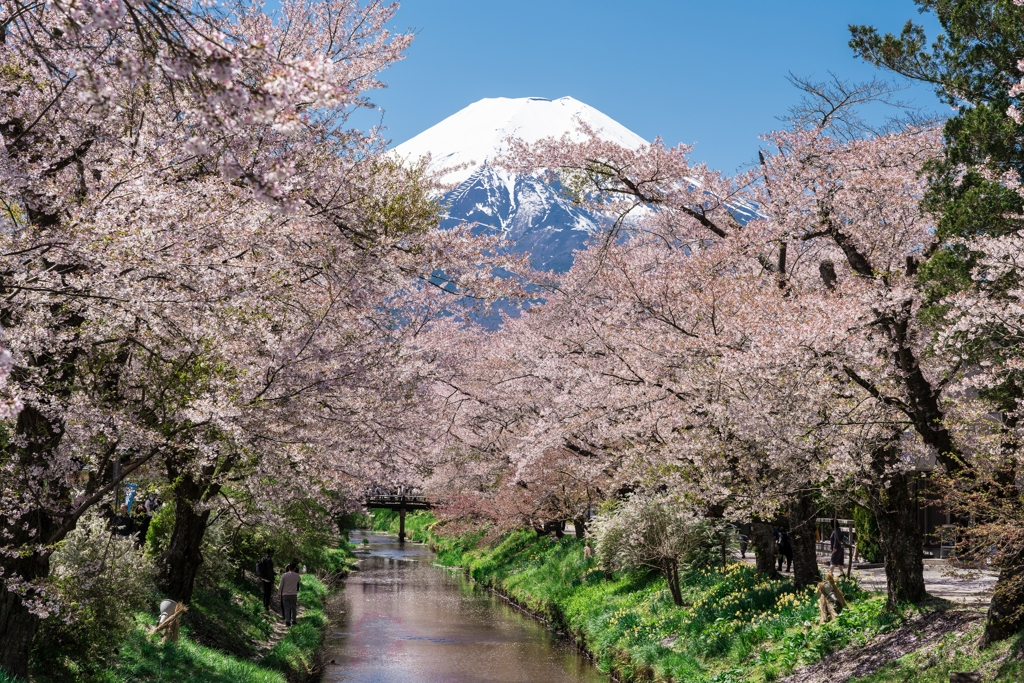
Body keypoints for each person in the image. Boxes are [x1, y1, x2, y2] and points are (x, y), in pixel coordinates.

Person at [279, 562, 301, 627]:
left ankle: (287, 621)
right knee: (294, 607)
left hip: (285, 594)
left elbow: (281, 585)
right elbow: (299, 579)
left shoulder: (284, 575)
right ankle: (294, 621)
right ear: (294, 568)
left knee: (286, 608)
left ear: (288, 568)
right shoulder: (297, 575)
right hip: (293, 594)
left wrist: (279, 592)